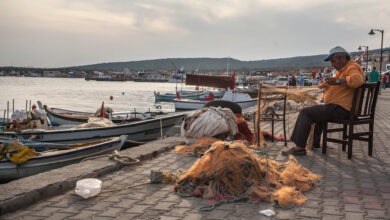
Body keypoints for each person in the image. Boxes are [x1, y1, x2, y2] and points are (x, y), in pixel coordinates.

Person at [281, 46, 364, 156]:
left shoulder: (352, 67)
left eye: (333, 61)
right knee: (318, 112)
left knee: (306, 113)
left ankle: (299, 148)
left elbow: (357, 81)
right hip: (338, 108)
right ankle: (315, 143)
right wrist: (327, 84)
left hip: (342, 110)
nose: (332, 65)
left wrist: (338, 81)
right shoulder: (342, 71)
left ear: (342, 58)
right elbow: (335, 83)